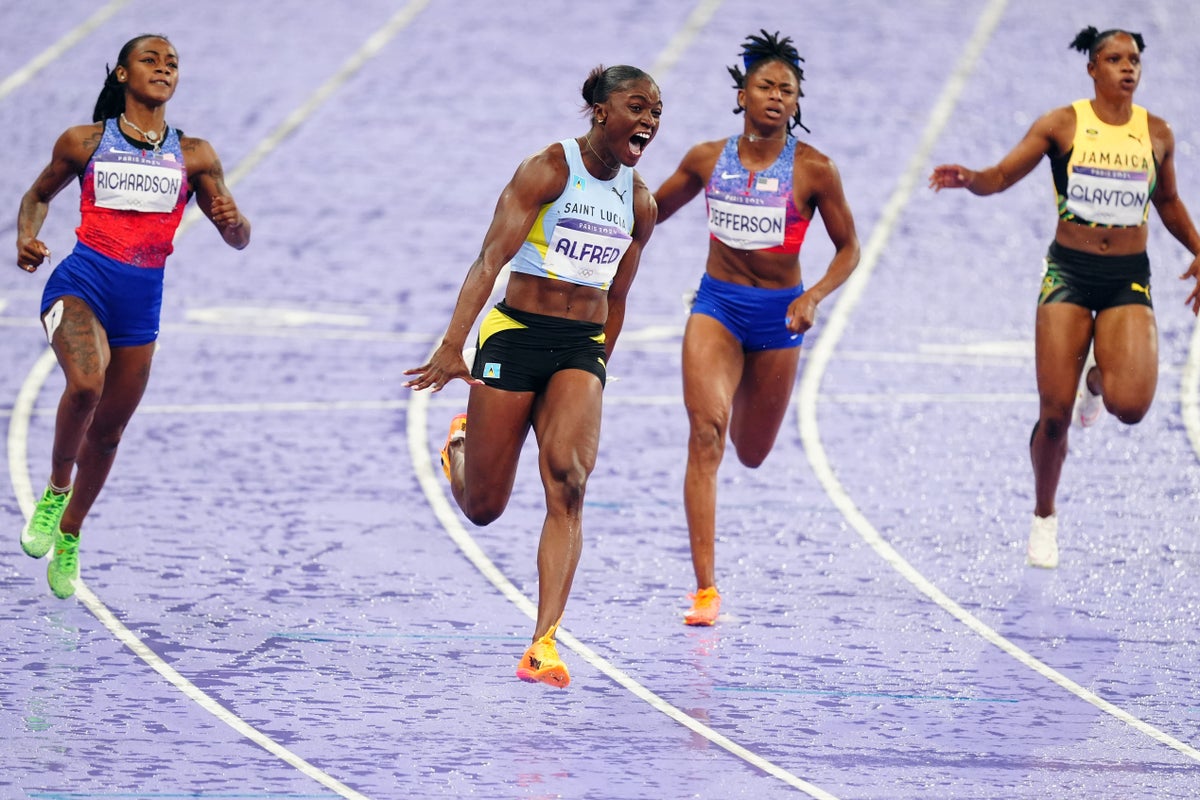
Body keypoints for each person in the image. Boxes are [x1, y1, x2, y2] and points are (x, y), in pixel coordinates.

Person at [403, 65, 661, 687]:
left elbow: (619, 296)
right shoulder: (547, 170)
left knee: (568, 481)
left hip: (579, 346)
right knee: (485, 508)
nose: (649, 121)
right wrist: (452, 345)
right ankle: (460, 449)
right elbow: (490, 259)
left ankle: (543, 643)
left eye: (657, 112)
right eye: (637, 107)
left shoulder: (640, 203)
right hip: (515, 336)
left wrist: (600, 365)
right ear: (601, 112)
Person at [930, 27, 1200, 568]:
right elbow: (1003, 175)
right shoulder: (1063, 124)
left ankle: (1097, 381)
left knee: (1132, 406)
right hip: (1069, 275)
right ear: (1092, 69)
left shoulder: (1157, 134)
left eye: (1135, 60)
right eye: (1116, 59)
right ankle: (1044, 516)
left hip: (1127, 277)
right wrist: (971, 179)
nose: (1128, 68)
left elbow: (1167, 201)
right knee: (1053, 417)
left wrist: (1199, 247)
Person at [16, 34, 251, 599]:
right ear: (122, 75)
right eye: (151, 60)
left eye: (172, 63)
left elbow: (238, 239)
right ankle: (54, 490)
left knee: (110, 431)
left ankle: (70, 532)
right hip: (80, 284)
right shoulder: (84, 142)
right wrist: (28, 236)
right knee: (85, 386)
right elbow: (38, 194)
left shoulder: (195, 155)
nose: (164, 68)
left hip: (141, 304)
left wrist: (232, 217)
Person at [652, 30, 860, 626]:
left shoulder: (815, 172)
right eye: (764, 85)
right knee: (707, 435)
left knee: (751, 452)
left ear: (797, 103)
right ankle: (705, 591)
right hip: (715, 308)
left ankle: (743, 398)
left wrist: (815, 296)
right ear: (741, 94)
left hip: (779, 318)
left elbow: (849, 249)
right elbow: (653, 212)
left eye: (786, 90)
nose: (775, 96)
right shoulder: (704, 159)